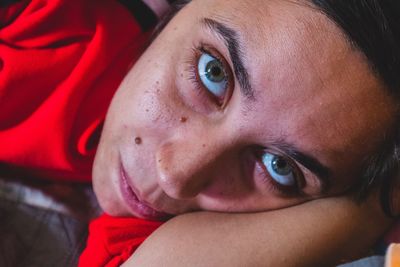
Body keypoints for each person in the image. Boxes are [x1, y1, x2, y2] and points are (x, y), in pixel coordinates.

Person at [1, 0, 399, 266]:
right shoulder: (42, 20)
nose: (175, 177)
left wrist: (374, 206)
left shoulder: (181, 221)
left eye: (279, 166)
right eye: (213, 73)